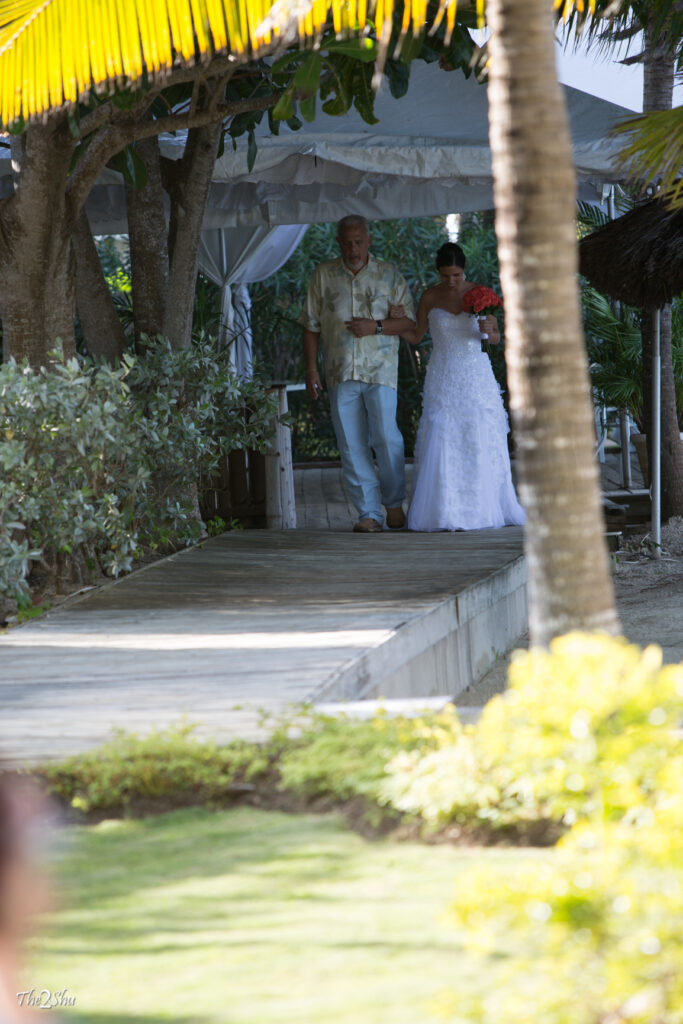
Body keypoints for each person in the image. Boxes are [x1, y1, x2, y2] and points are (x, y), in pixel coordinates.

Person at [393, 242, 525, 532]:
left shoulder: (481, 294)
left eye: (456, 275)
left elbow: (494, 339)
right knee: (443, 435)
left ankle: (483, 508)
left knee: (478, 433)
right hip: (442, 375)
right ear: (438, 273)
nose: (451, 281)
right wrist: (395, 323)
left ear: (464, 270)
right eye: (445, 276)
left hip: (475, 375)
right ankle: (445, 510)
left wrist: (491, 331)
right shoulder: (430, 296)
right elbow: (416, 336)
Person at [300, 215, 416, 532]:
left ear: (369, 241)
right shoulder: (322, 275)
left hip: (381, 370)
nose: (353, 249)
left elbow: (409, 323)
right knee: (351, 444)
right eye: (348, 243)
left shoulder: (389, 275)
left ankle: (394, 503)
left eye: (358, 242)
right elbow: (310, 325)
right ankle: (368, 513)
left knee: (387, 437)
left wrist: (376, 326)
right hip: (339, 371)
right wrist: (311, 369)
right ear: (338, 242)